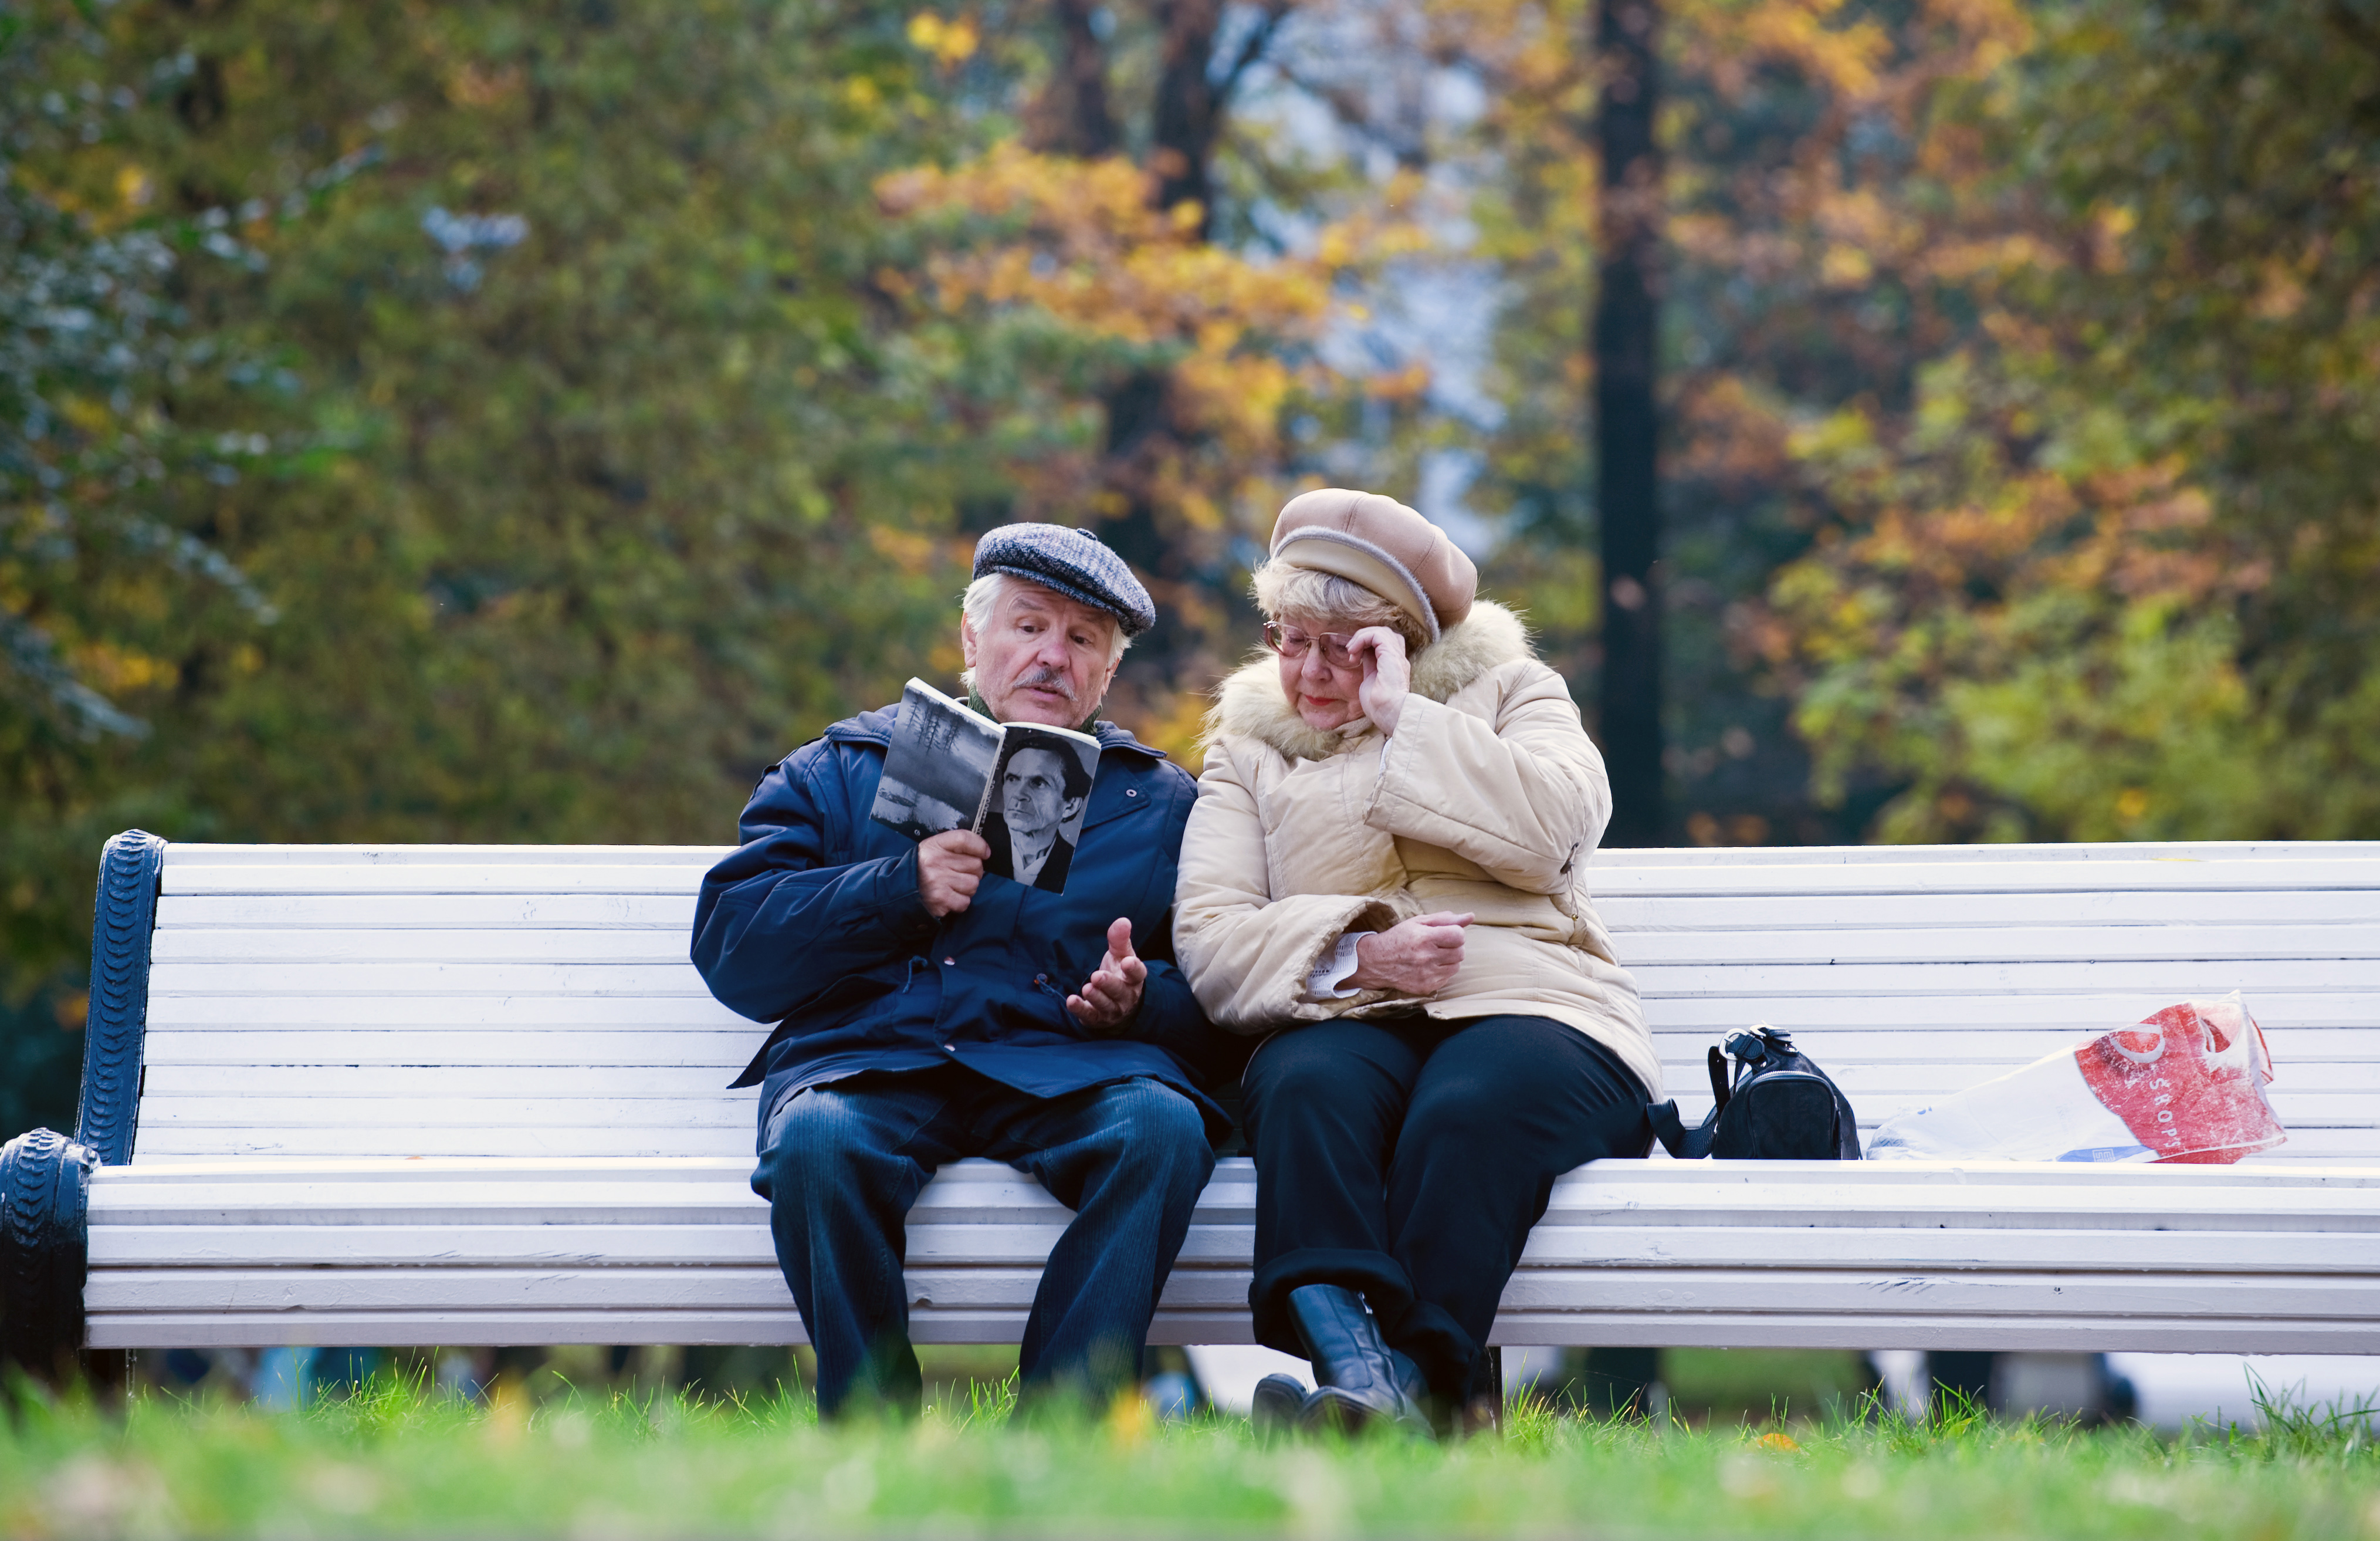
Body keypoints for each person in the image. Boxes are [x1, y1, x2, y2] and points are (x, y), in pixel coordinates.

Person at [693, 523, 1231, 1420]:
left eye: (1081, 639)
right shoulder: (840, 769)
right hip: (879, 1057)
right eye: (1028, 626)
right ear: (972, 641)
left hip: (1066, 1066)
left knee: (1162, 1127)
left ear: (1107, 673)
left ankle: (1059, 1430)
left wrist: (1138, 1005)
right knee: (818, 1140)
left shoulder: (1161, 806)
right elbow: (735, 950)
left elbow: (1222, 1010)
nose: (1051, 656)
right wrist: (895, 886)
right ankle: (872, 1432)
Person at [1173, 488, 1661, 1435]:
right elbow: (1212, 935)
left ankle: (1406, 1397)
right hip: (1351, 1011)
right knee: (1302, 1084)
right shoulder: (1247, 750)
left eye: (1341, 644)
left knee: (1464, 1110)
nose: (1306, 670)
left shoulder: (1514, 693)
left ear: (1399, 642)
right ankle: (1365, 1376)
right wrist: (1361, 953)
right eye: (1288, 636)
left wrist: (1407, 719)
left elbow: (1558, 832)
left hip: (1540, 1004)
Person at [981, 736, 1090, 891]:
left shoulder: (1078, 864)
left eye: (1038, 783)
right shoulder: (975, 828)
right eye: (1012, 779)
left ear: (1070, 806)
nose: (1018, 794)